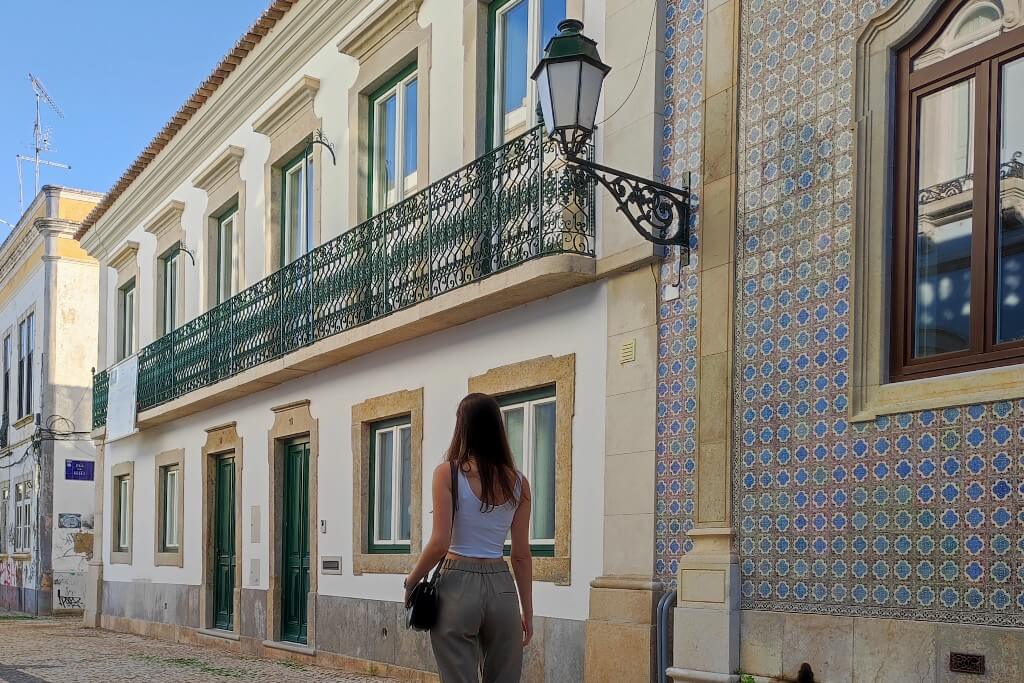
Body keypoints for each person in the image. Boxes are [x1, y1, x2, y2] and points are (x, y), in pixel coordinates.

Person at [404, 392, 533, 683]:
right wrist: (527, 612)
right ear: (498, 428)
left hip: (457, 586)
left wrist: (411, 582)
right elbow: (521, 555)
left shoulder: (447, 473)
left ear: (461, 427)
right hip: (502, 587)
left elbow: (439, 543)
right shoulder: (519, 483)